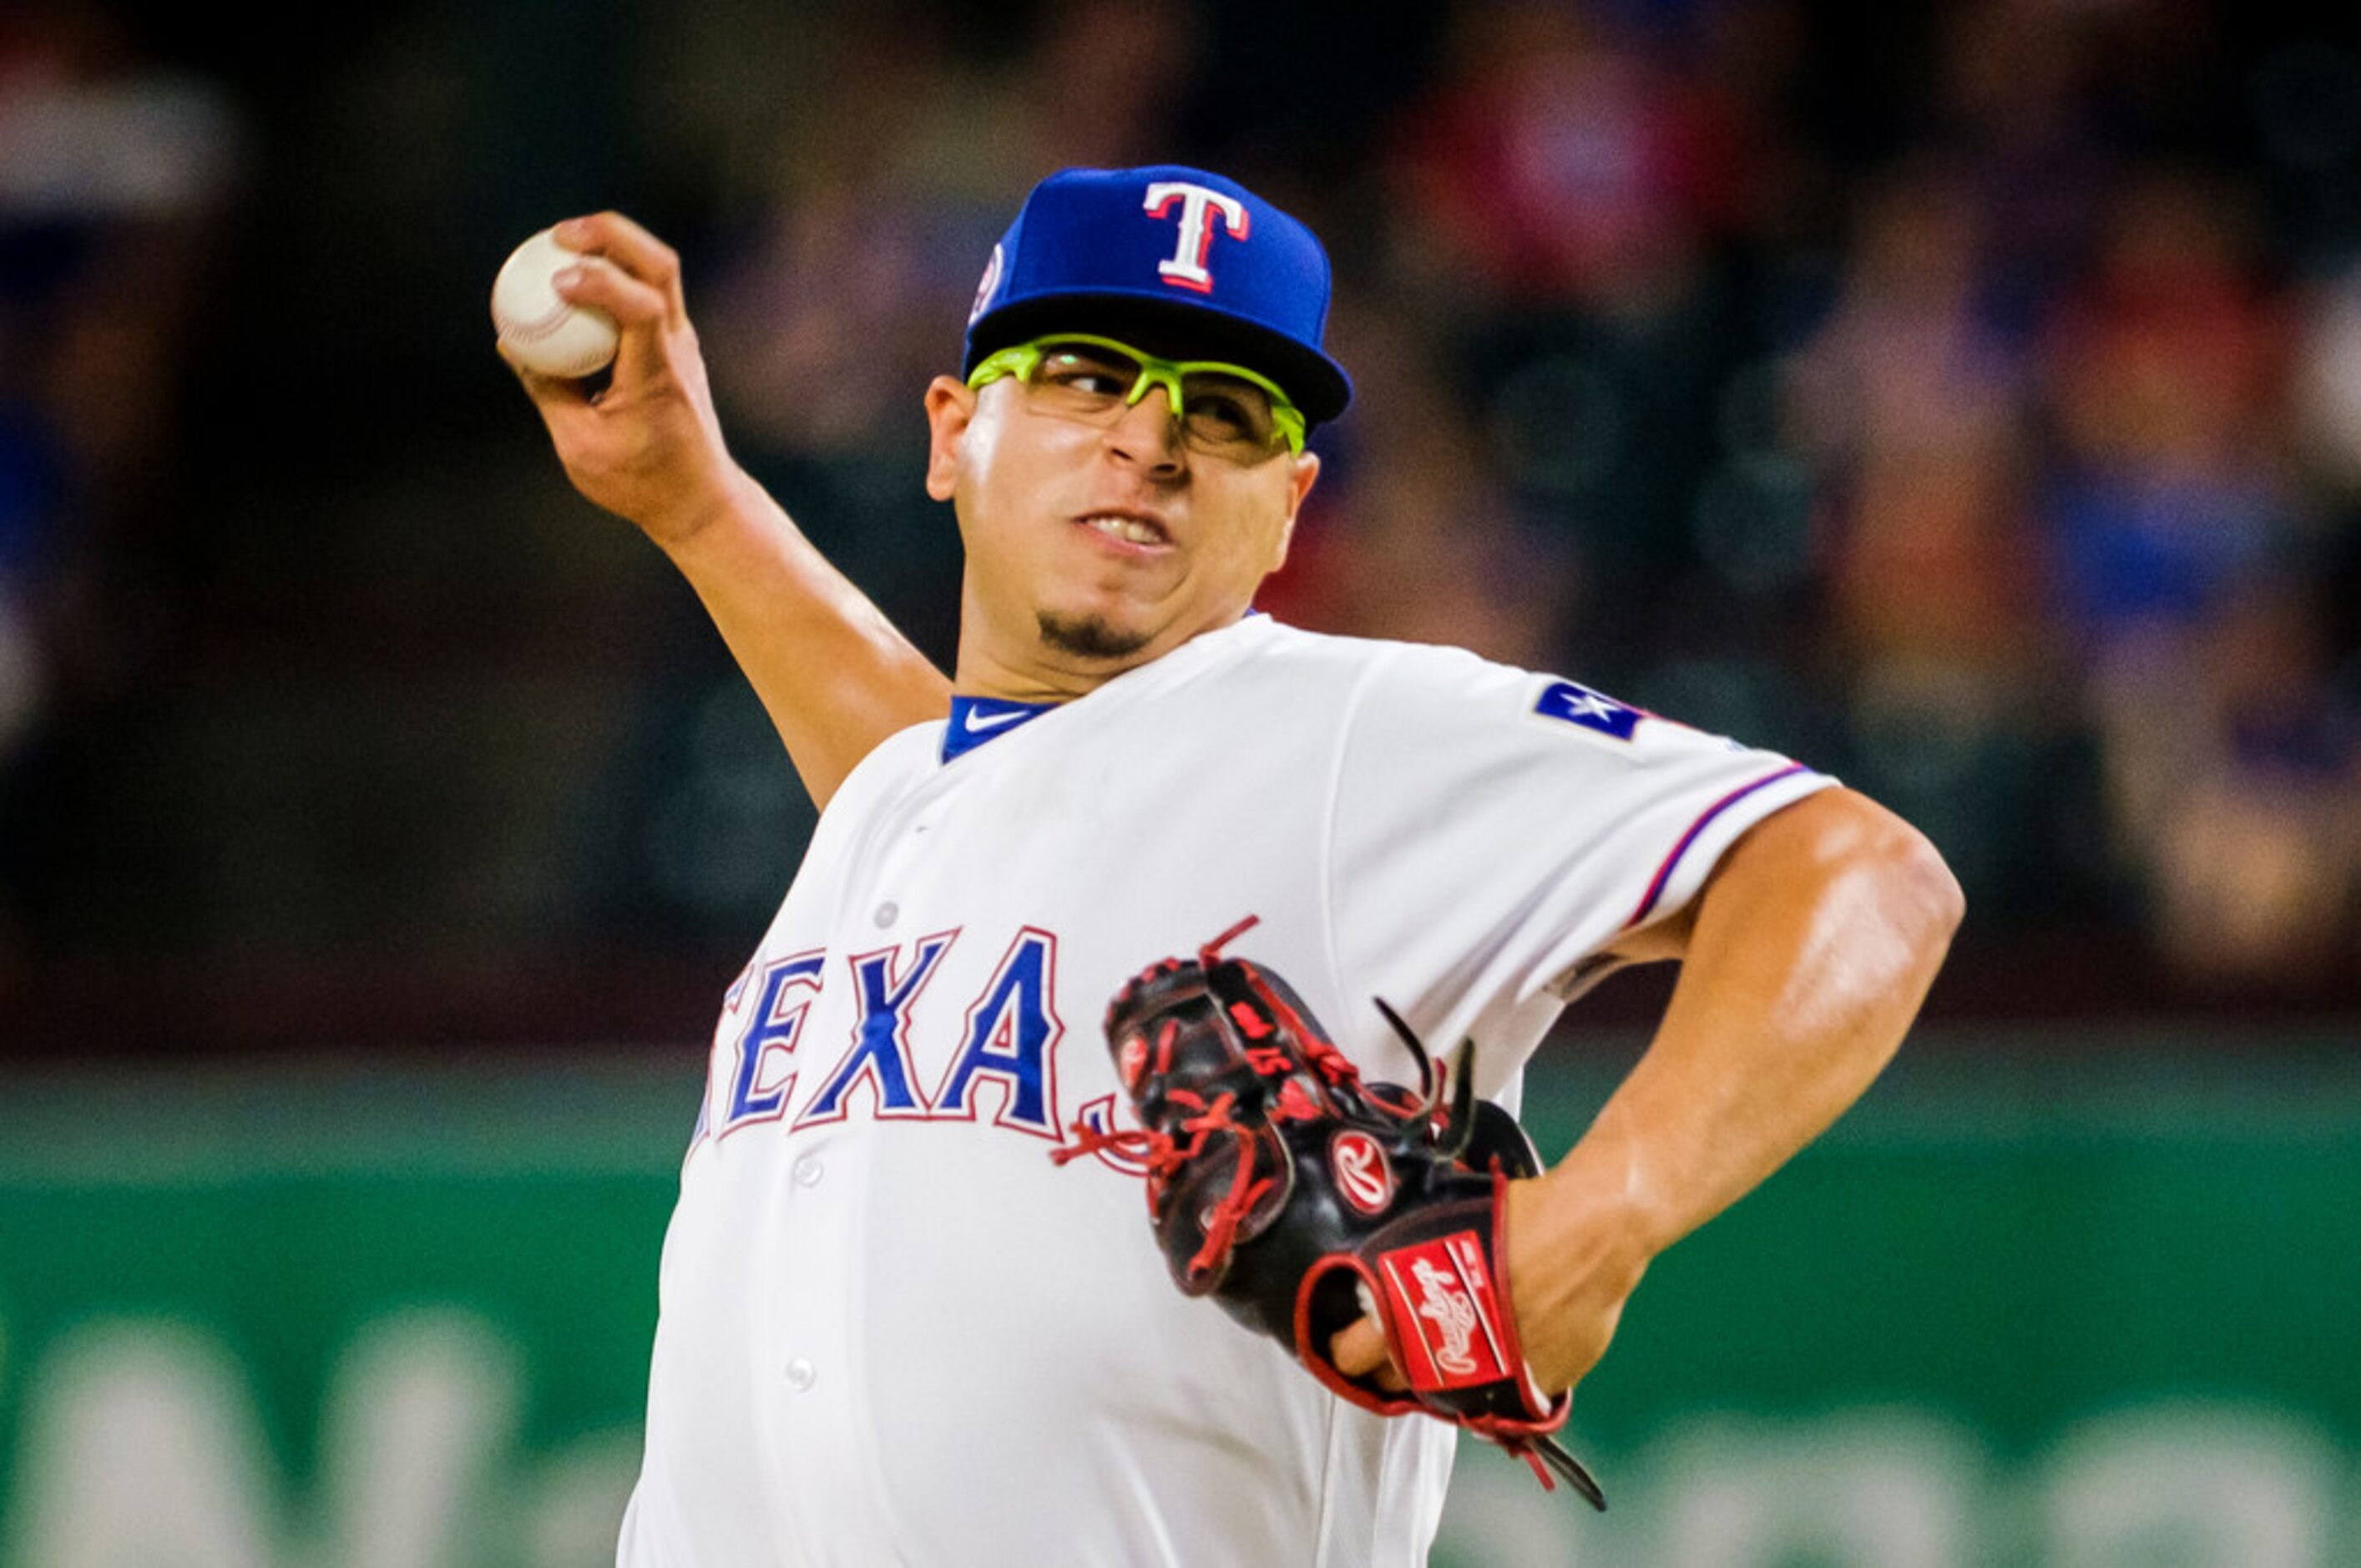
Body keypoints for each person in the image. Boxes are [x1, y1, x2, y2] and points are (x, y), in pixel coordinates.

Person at [504, 164, 1963, 1568]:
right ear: (951, 433)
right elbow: (988, 790)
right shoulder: (910, 797)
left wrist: (1605, 1212)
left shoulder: (1345, 735)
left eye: (1225, 409)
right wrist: (694, 505)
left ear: (1290, 502)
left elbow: (1864, 872)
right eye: (1085, 375)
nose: (1152, 439)